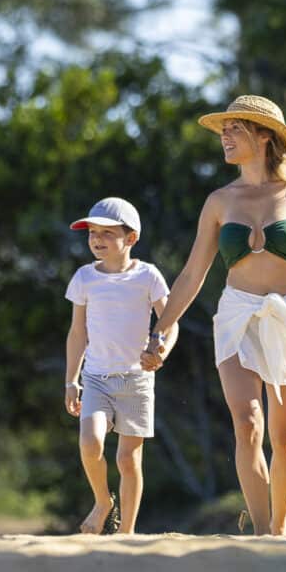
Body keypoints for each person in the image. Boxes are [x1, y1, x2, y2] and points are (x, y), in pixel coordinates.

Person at [141, 95, 286, 536]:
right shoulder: (219, 201)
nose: (224, 137)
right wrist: (159, 331)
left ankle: (279, 527)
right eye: (223, 130)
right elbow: (192, 274)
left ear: (264, 136)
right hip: (237, 314)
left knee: (284, 436)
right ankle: (262, 531)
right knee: (247, 424)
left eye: (235, 129)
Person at [65, 197, 175, 535]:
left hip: (137, 381)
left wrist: (161, 350)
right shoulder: (84, 278)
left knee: (128, 460)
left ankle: (126, 533)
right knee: (90, 443)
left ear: (131, 238)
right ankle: (103, 502)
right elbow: (77, 333)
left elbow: (170, 321)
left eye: (107, 233)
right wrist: (71, 380)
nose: (97, 239)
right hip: (96, 378)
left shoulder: (148, 276)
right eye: (92, 233)